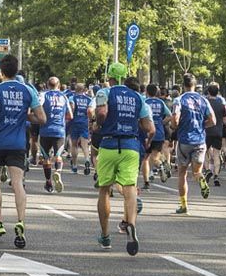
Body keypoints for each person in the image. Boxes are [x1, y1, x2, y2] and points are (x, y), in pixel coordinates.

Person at [0, 54, 46, 246]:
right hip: (18, 143)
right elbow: (42, 119)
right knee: (17, 182)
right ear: (17, 70)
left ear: (1, 71)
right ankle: (20, 221)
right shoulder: (28, 91)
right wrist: (25, 118)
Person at [93, 64, 154, 255]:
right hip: (131, 146)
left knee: (104, 188)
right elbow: (148, 126)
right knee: (129, 188)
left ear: (109, 76)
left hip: (109, 144)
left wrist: (98, 122)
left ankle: (105, 236)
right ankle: (131, 224)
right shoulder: (138, 97)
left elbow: (102, 114)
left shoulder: (104, 92)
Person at [171, 74, 215, 214]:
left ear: (183, 85)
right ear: (195, 85)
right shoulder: (203, 100)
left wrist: (175, 126)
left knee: (182, 174)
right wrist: (202, 126)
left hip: (184, 140)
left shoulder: (179, 99)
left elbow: (175, 118)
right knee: (196, 172)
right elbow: (213, 120)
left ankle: (183, 205)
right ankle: (201, 178)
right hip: (200, 140)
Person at [39, 77, 73, 193]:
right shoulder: (64, 97)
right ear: (59, 85)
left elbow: (38, 108)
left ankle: (48, 181)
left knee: (46, 158)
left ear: (47, 85)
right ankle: (58, 171)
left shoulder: (43, 95)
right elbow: (70, 115)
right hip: (59, 130)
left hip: (45, 130)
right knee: (58, 155)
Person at [143, 83, 172, 188]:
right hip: (159, 133)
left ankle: (147, 181)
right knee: (155, 156)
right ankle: (162, 164)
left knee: (145, 158)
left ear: (147, 92)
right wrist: (161, 122)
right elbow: (169, 116)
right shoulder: (160, 103)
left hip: (147, 132)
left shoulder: (145, 102)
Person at [203, 82, 226, 187]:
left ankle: (208, 169)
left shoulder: (205, 103)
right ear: (217, 92)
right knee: (216, 154)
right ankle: (216, 175)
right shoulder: (221, 104)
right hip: (218, 131)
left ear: (208, 92)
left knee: (205, 152)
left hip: (206, 131)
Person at [68, 83, 95, 175]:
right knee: (85, 144)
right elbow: (90, 111)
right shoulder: (89, 99)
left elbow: (72, 108)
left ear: (76, 89)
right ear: (84, 90)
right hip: (84, 123)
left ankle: (75, 166)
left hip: (74, 122)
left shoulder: (72, 98)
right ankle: (87, 159)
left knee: (74, 145)